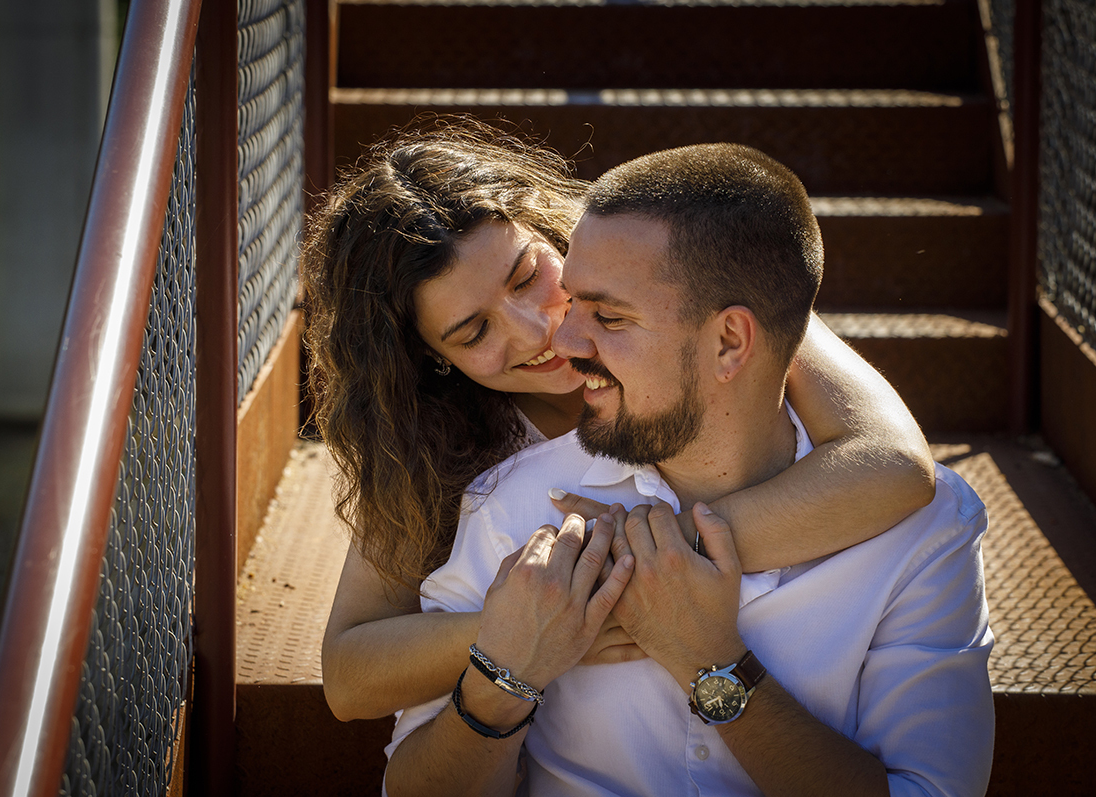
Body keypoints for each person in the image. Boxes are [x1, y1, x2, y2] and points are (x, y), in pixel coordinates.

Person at [383, 143, 995, 796]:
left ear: (731, 341)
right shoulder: (513, 505)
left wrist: (715, 665)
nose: (558, 339)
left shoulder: (920, 531)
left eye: (609, 316)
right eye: (578, 303)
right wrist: (501, 676)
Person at [303, 118, 937, 724]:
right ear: (429, 359)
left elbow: (895, 464)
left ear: (548, 227)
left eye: (528, 276)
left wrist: (638, 561)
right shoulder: (424, 436)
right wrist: (543, 621)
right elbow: (349, 675)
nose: (537, 330)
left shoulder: (670, 276)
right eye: (473, 333)